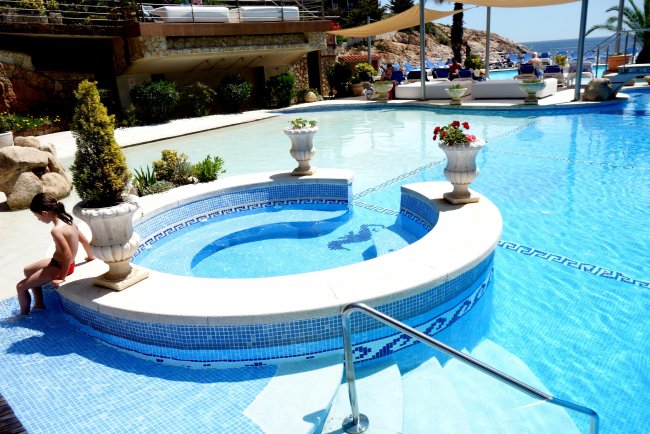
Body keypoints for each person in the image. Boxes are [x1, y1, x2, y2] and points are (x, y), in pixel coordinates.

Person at [16, 193, 94, 315]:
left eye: (37, 216)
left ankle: (23, 316)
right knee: (28, 271)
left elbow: (67, 255)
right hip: (59, 262)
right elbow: (84, 241)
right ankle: (39, 304)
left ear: (44, 213)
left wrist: (61, 278)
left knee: (20, 287)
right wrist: (90, 256)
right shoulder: (69, 221)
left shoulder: (56, 230)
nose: (38, 219)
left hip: (61, 268)